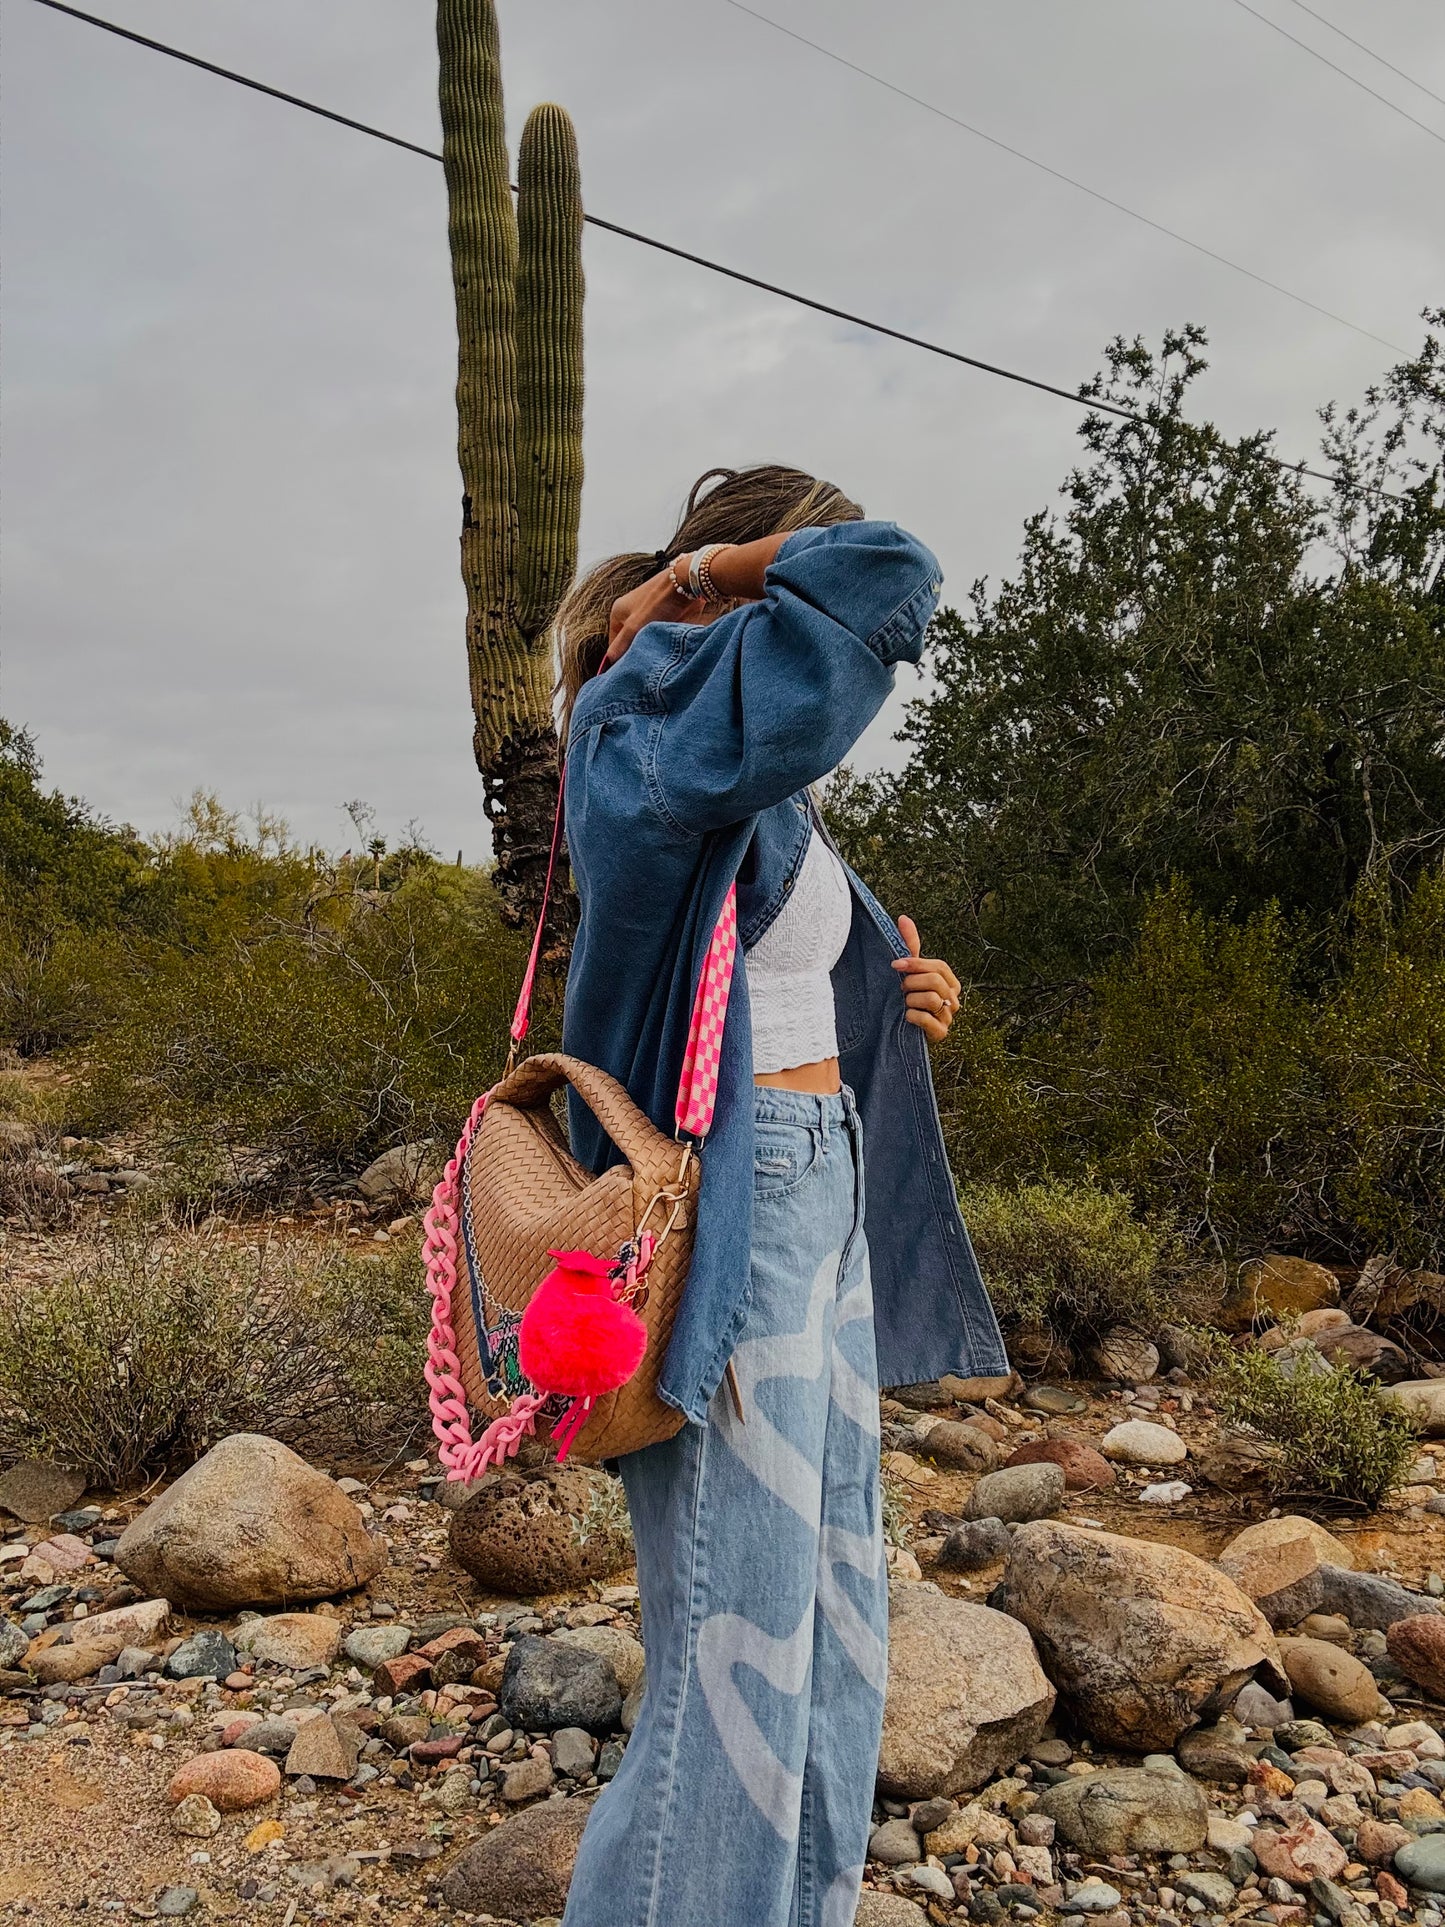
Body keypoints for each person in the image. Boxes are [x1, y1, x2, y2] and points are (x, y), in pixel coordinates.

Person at [553, 465, 1006, 1927]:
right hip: (727, 1207)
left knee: (826, 1618)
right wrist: (695, 582)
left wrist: (895, 992)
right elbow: (892, 572)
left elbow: (764, 986)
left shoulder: (746, 779)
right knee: (732, 1631)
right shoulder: (642, 722)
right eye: (772, 570)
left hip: (819, 1198)